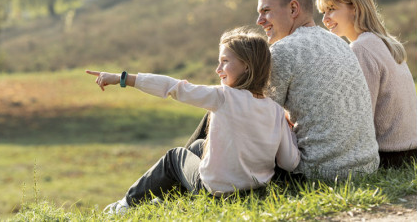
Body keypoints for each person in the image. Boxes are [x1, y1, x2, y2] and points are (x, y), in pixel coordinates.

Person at [86, 27, 300, 214]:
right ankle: (163, 199)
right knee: (198, 146)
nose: (218, 70)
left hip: (216, 192)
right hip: (253, 192)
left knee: (174, 157)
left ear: (247, 67)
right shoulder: (275, 110)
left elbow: (174, 87)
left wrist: (122, 78)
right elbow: (289, 162)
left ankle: (125, 205)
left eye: (225, 62)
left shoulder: (223, 97)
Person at [186, 0, 380, 180]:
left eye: (266, 11)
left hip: (318, 172)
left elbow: (252, 119)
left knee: (205, 133)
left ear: (293, 9)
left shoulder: (282, 52)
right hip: (365, 166)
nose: (259, 21)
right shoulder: (339, 43)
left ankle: (191, 182)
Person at [316, 0, 417, 168]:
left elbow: (360, 116)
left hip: (390, 156)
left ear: (354, 7)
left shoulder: (361, 48)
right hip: (411, 150)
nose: (325, 19)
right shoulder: (385, 42)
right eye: (323, 11)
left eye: (331, 9)